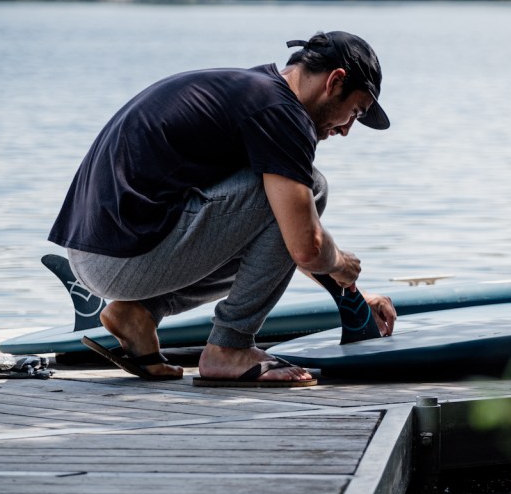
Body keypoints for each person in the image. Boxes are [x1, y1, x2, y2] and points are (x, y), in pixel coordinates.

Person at [48, 31, 397, 386]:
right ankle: (229, 348)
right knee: (313, 186)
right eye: (354, 112)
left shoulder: (255, 91)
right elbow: (305, 246)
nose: (346, 130)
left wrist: (348, 292)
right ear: (335, 81)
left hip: (100, 253)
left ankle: (138, 313)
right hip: (124, 255)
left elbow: (278, 245)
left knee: (286, 208)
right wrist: (341, 264)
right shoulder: (283, 114)